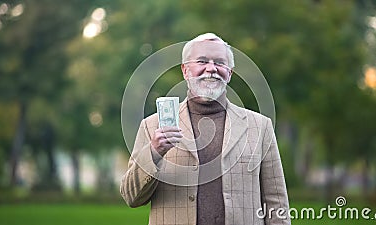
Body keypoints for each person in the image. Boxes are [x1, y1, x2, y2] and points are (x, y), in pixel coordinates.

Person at [120, 33, 291, 225]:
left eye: (220, 63)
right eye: (202, 61)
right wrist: (154, 152)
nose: (211, 69)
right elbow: (131, 197)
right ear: (185, 70)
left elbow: (277, 204)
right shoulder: (152, 126)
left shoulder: (261, 127)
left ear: (230, 73)